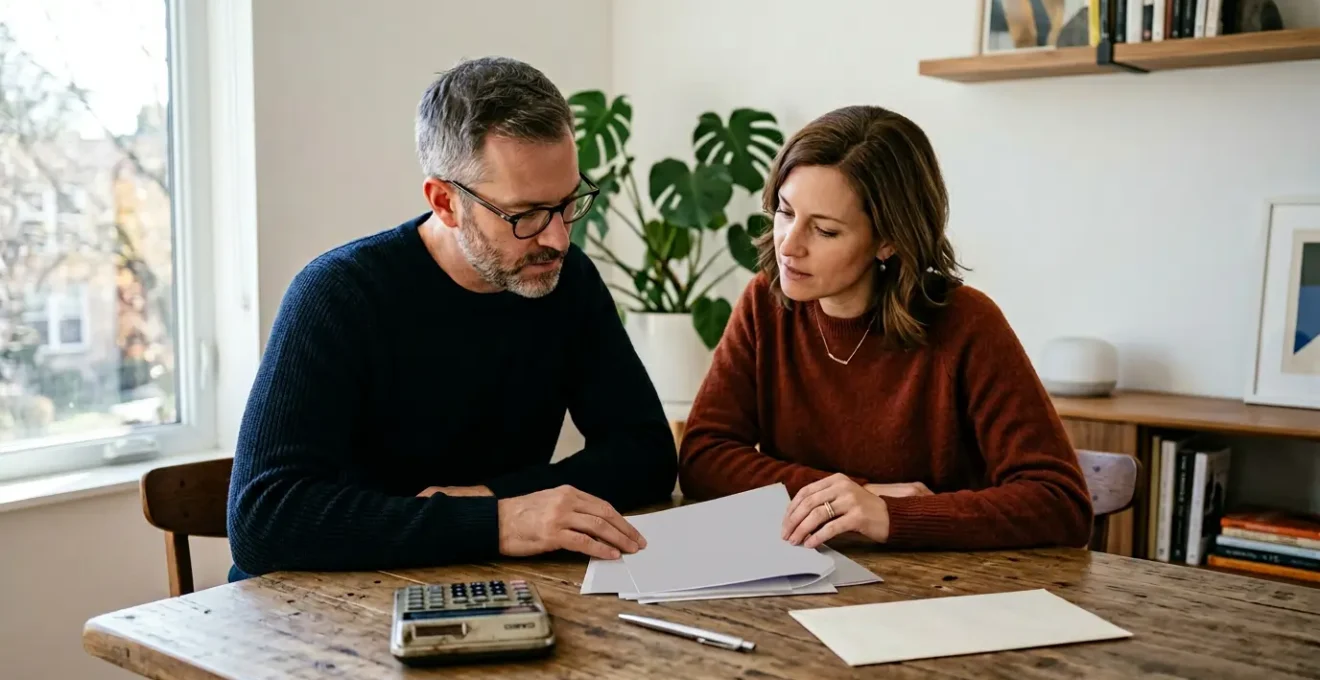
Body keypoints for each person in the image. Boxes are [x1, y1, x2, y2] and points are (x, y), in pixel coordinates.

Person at [226, 56, 677, 578]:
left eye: (568, 202)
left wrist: (494, 500)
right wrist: (497, 522)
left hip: (485, 583)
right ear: (445, 202)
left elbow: (647, 454)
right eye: (526, 214)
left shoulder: (567, 280)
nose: (557, 238)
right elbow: (262, 521)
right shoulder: (338, 295)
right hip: (322, 603)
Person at [677, 105, 1093, 552]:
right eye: (785, 212)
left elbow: (1061, 504)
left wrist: (891, 516)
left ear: (888, 240)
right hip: (809, 572)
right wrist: (853, 496)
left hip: (947, 585)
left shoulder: (967, 323)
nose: (789, 245)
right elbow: (704, 458)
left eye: (825, 231)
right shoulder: (766, 302)